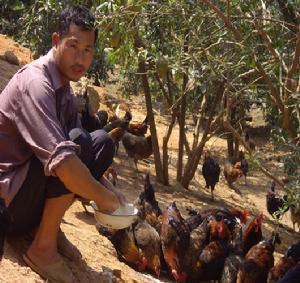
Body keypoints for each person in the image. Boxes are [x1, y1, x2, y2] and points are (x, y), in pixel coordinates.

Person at [0, 5, 126, 283]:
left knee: (102, 142)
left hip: (27, 193)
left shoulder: (65, 90)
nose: (80, 58)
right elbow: (65, 163)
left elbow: (83, 154)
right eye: (73, 46)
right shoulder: (35, 83)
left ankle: (48, 229)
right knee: (74, 146)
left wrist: (111, 192)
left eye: (88, 50)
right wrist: (101, 199)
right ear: (56, 41)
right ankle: (42, 248)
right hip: (6, 205)